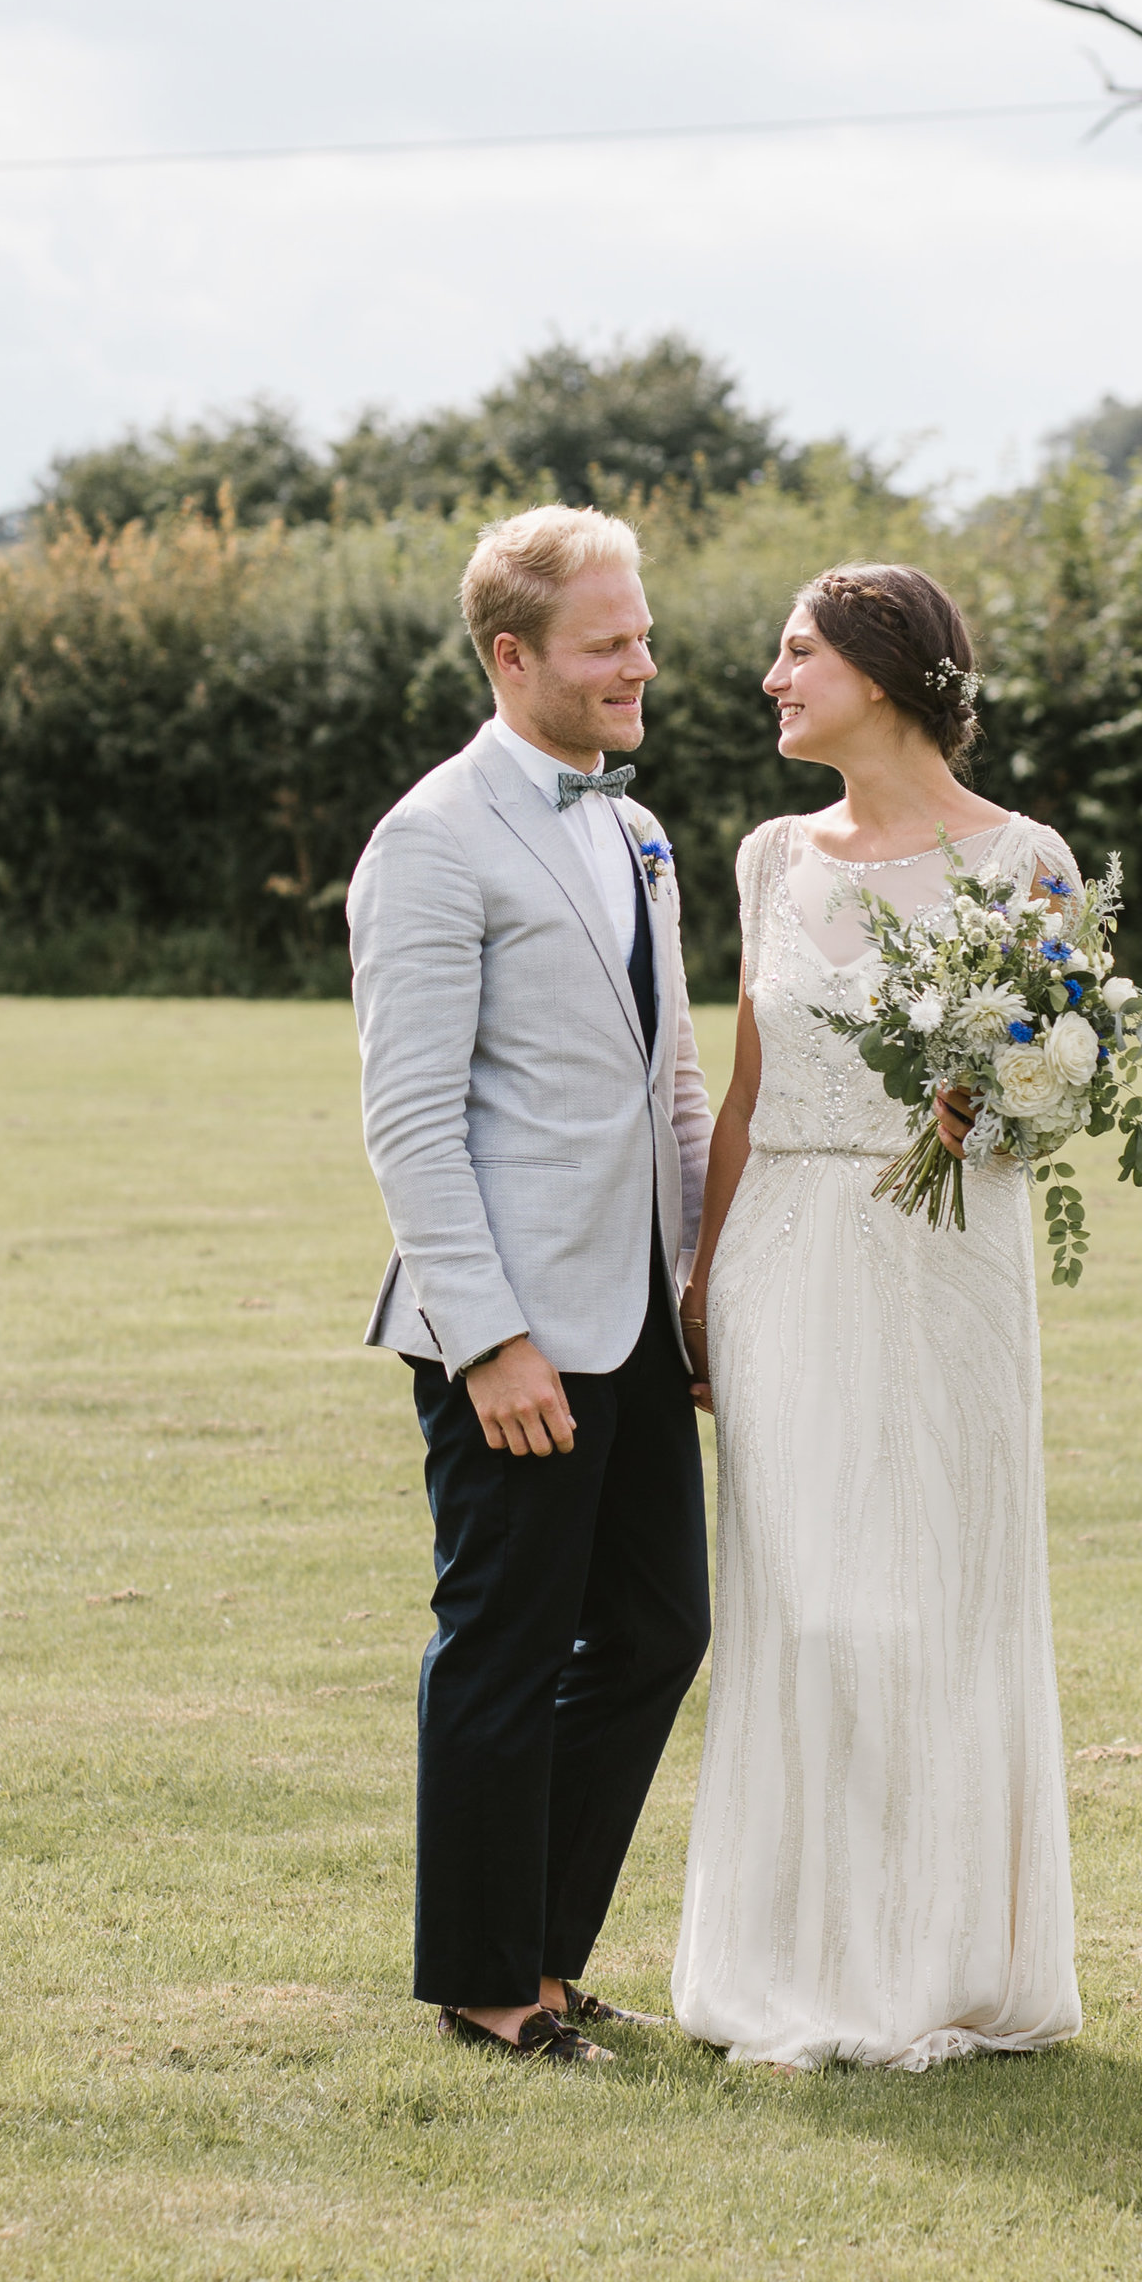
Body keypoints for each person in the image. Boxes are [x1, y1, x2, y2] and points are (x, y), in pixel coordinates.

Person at [671, 562, 1083, 2071]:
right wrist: (705, 1279)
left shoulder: (1027, 858)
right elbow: (746, 1082)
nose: (772, 679)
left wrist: (1007, 1096)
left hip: (946, 1256)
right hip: (788, 1249)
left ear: (886, 672)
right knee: (810, 1603)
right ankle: (796, 1958)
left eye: (797, 653)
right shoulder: (774, 855)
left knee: (935, 1598)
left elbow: (1052, 1085)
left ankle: (943, 1958)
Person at [347, 505, 712, 2066]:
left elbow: (672, 1081)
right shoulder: (432, 837)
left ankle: (547, 1956)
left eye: (640, 632)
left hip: (635, 1318)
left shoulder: (633, 827)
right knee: (502, 1644)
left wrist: (701, 1292)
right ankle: (488, 1987)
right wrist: (490, 1338)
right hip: (510, 1330)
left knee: (656, 1629)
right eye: (607, 642)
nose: (643, 662)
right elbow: (411, 1116)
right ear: (514, 657)